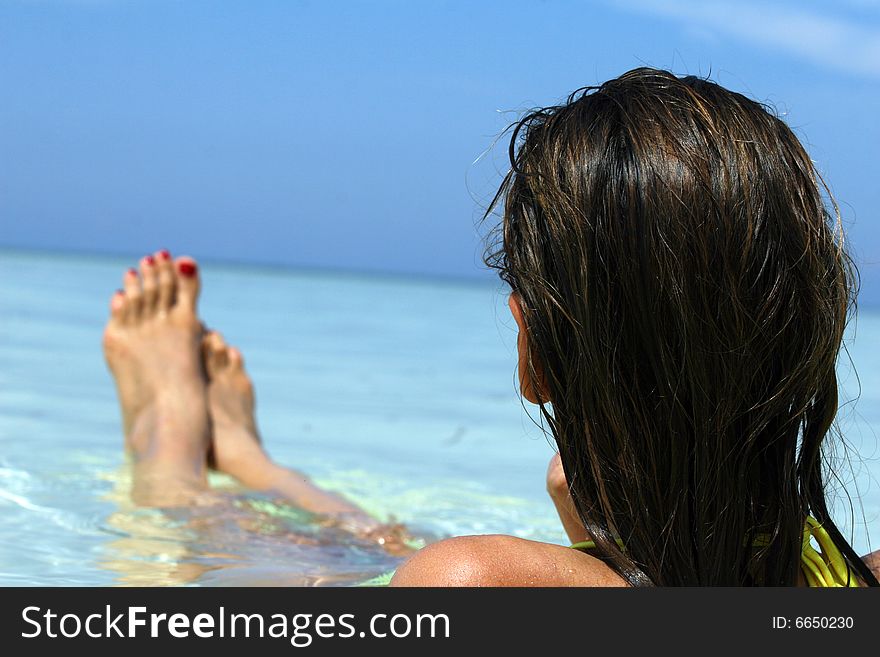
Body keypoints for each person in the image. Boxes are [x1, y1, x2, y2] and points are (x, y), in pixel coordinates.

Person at [104, 67, 880, 586]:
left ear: (530, 354)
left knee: (215, 526)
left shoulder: (470, 583)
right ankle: (249, 458)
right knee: (563, 487)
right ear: (814, 339)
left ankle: (167, 442)